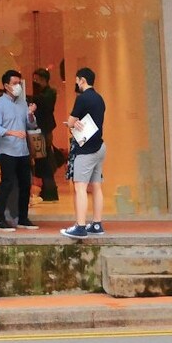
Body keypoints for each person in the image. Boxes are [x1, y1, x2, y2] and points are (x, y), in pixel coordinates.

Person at [0, 69, 39, 230]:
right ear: (6, 86)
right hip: (7, 151)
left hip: (22, 151)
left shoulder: (23, 103)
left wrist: (30, 114)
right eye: (14, 83)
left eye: (19, 83)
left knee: (25, 184)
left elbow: (31, 125)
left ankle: (23, 218)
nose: (18, 86)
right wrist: (11, 132)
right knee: (7, 184)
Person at [60, 67, 106, 239]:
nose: (76, 83)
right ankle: (96, 224)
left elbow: (71, 121)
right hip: (100, 146)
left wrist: (70, 123)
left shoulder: (82, 99)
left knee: (80, 187)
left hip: (86, 149)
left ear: (82, 80)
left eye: (77, 80)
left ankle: (80, 226)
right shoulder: (99, 99)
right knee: (96, 186)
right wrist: (75, 122)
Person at [30, 68, 60, 202]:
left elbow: (44, 104)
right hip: (40, 129)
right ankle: (48, 189)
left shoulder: (49, 93)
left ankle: (50, 190)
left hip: (44, 130)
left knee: (45, 160)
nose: (35, 82)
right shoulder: (42, 93)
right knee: (42, 160)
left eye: (37, 79)